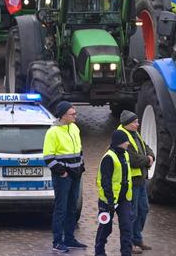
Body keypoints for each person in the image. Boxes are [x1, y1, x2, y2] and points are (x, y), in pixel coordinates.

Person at [43, 101, 86, 254]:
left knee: (72, 208)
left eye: (75, 113)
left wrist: (81, 166)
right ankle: (57, 241)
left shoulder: (74, 128)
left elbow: (79, 150)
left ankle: (69, 238)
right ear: (63, 116)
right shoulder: (52, 132)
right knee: (61, 209)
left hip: (75, 175)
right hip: (63, 177)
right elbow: (48, 157)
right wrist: (62, 172)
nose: (75, 116)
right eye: (72, 114)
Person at [117, 111, 154, 254]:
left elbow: (147, 148)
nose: (138, 124)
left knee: (143, 210)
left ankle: (137, 238)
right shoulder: (122, 136)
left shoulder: (135, 134)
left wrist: (150, 156)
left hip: (141, 181)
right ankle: (130, 242)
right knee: (131, 214)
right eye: (135, 122)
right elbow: (133, 159)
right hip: (131, 182)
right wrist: (148, 160)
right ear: (127, 123)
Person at [95, 130, 134, 256]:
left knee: (127, 227)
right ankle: (99, 252)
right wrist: (111, 201)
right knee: (106, 228)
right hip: (108, 200)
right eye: (126, 141)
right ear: (119, 143)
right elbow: (105, 182)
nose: (128, 143)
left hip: (123, 199)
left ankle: (126, 253)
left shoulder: (125, 154)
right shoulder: (108, 158)